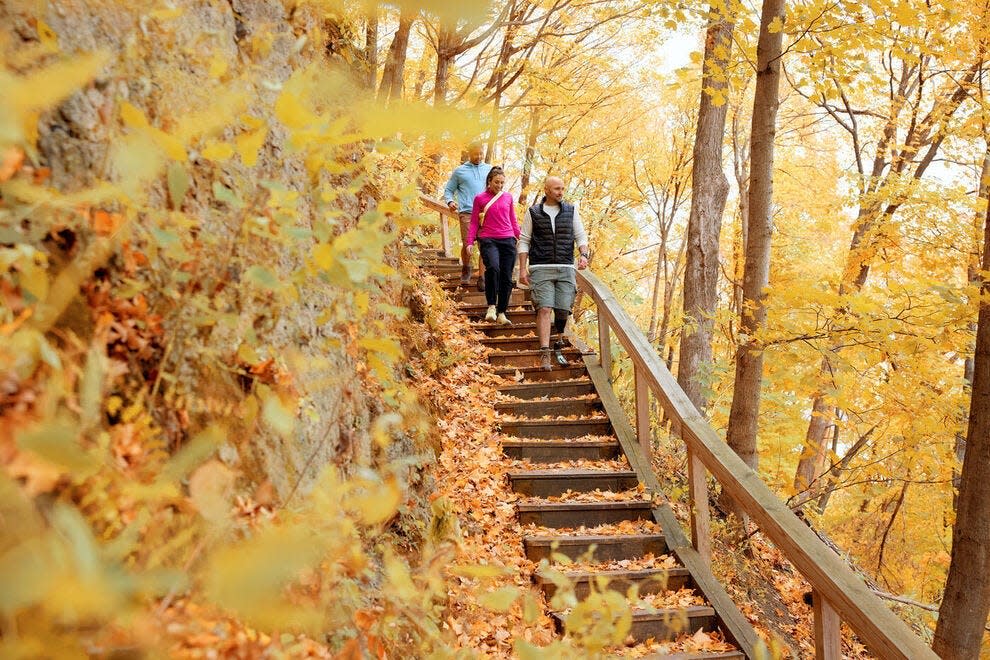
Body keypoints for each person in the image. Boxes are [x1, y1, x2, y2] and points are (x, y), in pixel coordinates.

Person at [517, 176, 590, 371]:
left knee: (563, 309)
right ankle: (545, 352)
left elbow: (580, 235)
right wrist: (523, 268)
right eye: (557, 189)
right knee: (544, 308)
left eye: (563, 189)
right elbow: (524, 240)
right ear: (547, 190)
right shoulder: (533, 212)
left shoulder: (571, 211)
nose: (561, 192)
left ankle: (558, 341)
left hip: (566, 267)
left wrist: (583, 254)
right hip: (540, 268)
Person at [465, 167, 519, 325]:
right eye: (497, 182)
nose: (500, 185)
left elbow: (513, 220)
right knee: (494, 268)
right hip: (488, 239)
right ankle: (491, 307)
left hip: (508, 240)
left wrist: (521, 238)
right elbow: (475, 222)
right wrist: (469, 242)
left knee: (507, 277)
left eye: (502, 183)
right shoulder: (480, 198)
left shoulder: (508, 197)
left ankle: (502, 312)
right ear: (489, 181)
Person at [443, 142, 492, 286]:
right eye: (476, 154)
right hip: (467, 212)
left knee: (485, 244)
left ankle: (482, 277)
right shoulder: (460, 171)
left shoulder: (489, 169)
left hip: (485, 213)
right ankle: (466, 267)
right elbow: (448, 190)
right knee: (467, 244)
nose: (479, 156)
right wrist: (450, 201)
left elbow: (496, 188)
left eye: (481, 153)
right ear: (470, 153)